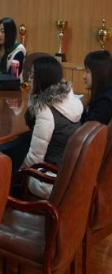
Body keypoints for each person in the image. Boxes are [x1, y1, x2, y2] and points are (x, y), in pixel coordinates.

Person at [22, 56, 83, 198]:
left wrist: (18, 173)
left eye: (32, 76)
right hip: (71, 172)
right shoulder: (68, 100)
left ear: (42, 80)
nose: (29, 80)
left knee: (12, 163)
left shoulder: (46, 111)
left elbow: (35, 158)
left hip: (51, 180)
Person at [81, 50, 112, 124]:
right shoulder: (106, 92)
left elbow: (89, 128)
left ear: (99, 73)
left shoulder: (104, 102)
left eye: (87, 72)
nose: (83, 76)